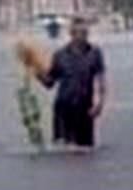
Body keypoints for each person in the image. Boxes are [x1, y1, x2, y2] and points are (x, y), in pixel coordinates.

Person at [37, 17, 107, 150]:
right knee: (65, 150)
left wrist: (100, 103)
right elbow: (49, 83)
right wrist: (36, 70)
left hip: (85, 108)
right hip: (64, 108)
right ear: (72, 34)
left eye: (86, 33)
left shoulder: (95, 53)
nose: (84, 36)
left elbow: (101, 79)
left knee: (86, 150)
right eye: (80, 33)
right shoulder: (60, 55)